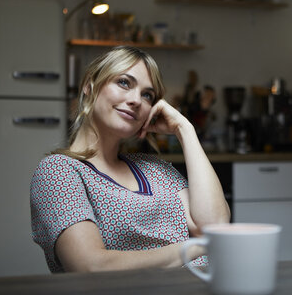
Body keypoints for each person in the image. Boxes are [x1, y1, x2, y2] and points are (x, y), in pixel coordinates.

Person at [30, 46, 231, 273]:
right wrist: (193, 248)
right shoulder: (59, 171)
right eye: (124, 82)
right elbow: (89, 265)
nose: (136, 100)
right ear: (89, 85)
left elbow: (215, 228)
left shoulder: (156, 169)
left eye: (148, 95)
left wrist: (185, 129)